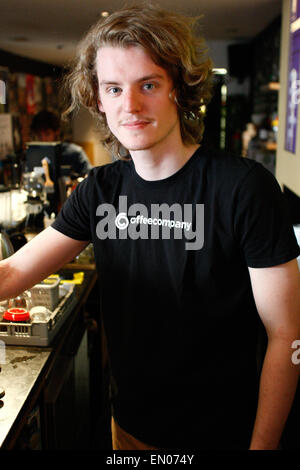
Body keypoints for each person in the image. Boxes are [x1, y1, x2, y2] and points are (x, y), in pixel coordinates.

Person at [1, 3, 300, 450]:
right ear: (98, 99)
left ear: (178, 87)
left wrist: (263, 445)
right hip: (131, 430)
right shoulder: (99, 191)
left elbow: (287, 334)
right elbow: (10, 275)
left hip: (226, 434)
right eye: (114, 89)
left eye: (148, 84)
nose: (131, 106)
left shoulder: (243, 188)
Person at [30, 109, 92, 176]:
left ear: (57, 132)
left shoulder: (74, 152)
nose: (43, 139)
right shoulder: (34, 154)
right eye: (39, 135)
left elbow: (89, 177)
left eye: (47, 134)